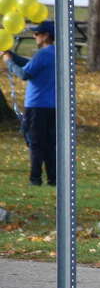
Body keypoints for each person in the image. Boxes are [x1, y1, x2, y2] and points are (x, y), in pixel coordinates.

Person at [3, 19, 56, 186]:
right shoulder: (56, 53)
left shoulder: (43, 54)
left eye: (37, 33)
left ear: (46, 36)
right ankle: (53, 179)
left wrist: (9, 63)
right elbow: (30, 65)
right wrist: (11, 55)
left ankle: (35, 179)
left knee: (34, 142)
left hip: (36, 105)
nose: (34, 36)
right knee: (49, 143)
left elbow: (24, 74)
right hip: (53, 105)